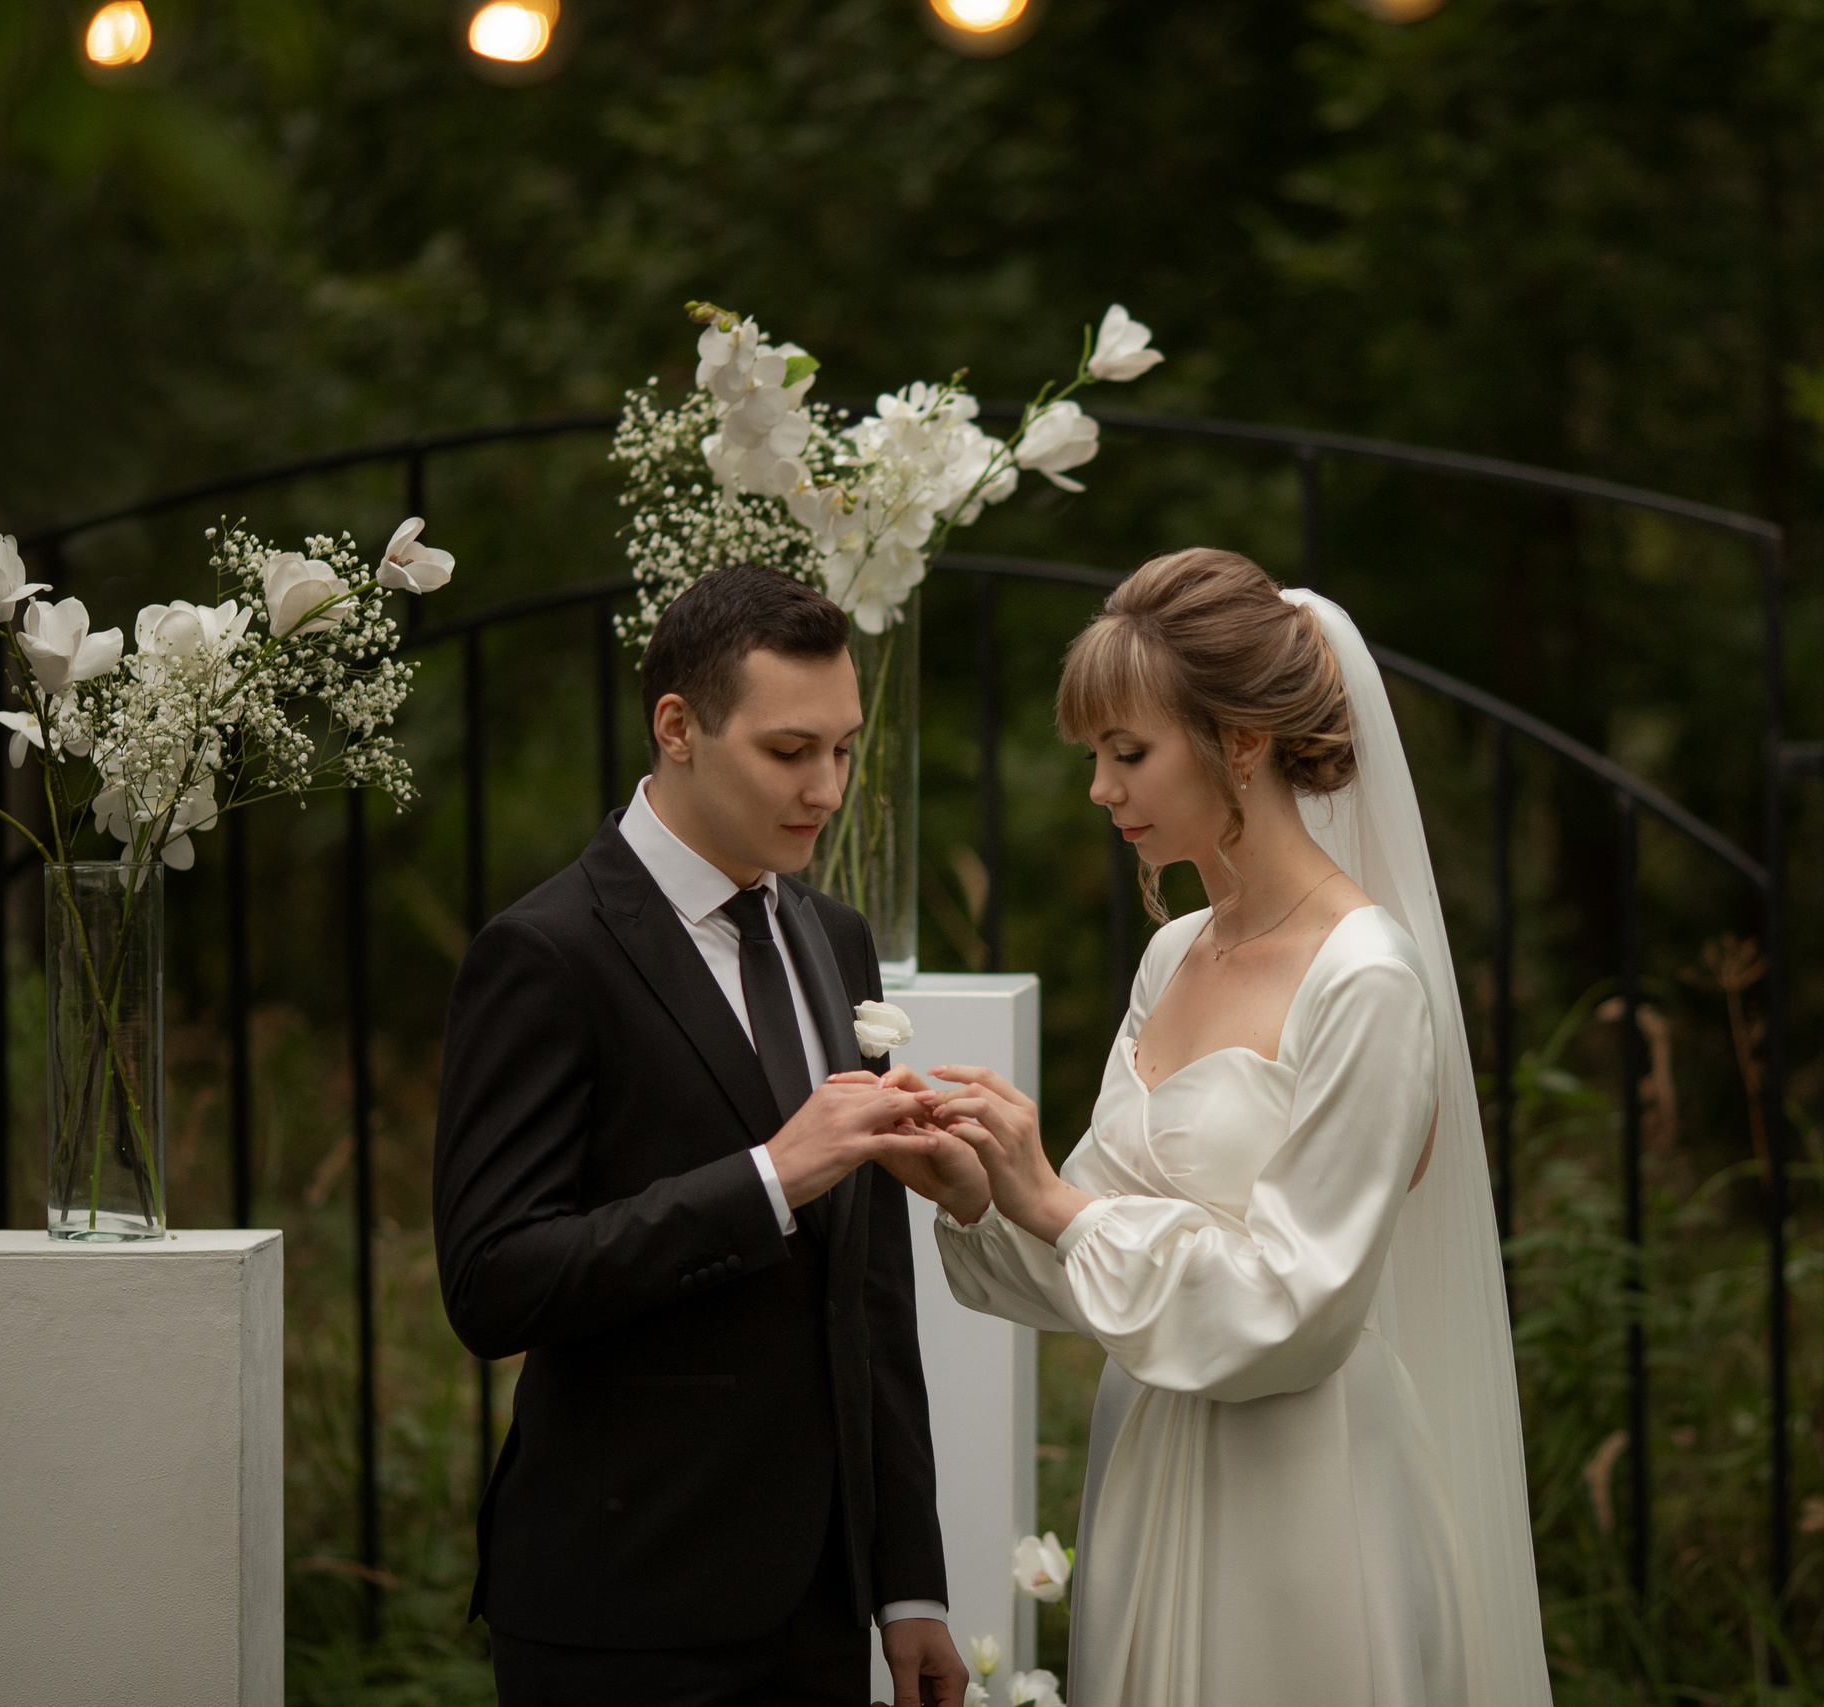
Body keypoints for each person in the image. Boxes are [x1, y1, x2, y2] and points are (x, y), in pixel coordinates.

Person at [885, 548, 1555, 1707]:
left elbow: (1297, 1306)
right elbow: (1089, 1258)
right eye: (1096, 755)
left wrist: (1051, 1199)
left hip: (1303, 1495)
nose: (1100, 788)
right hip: (1150, 1462)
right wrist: (979, 1188)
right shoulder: (1169, 954)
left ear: (1241, 740)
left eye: (1127, 751)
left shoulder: (1366, 980)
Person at [432, 564, 969, 1707]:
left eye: (844, 748)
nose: (827, 788)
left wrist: (909, 1584)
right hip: (624, 1612)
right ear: (678, 726)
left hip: (822, 1606)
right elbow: (492, 1283)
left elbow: (869, 1290)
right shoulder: (545, 953)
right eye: (789, 752)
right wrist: (769, 1177)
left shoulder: (833, 935)